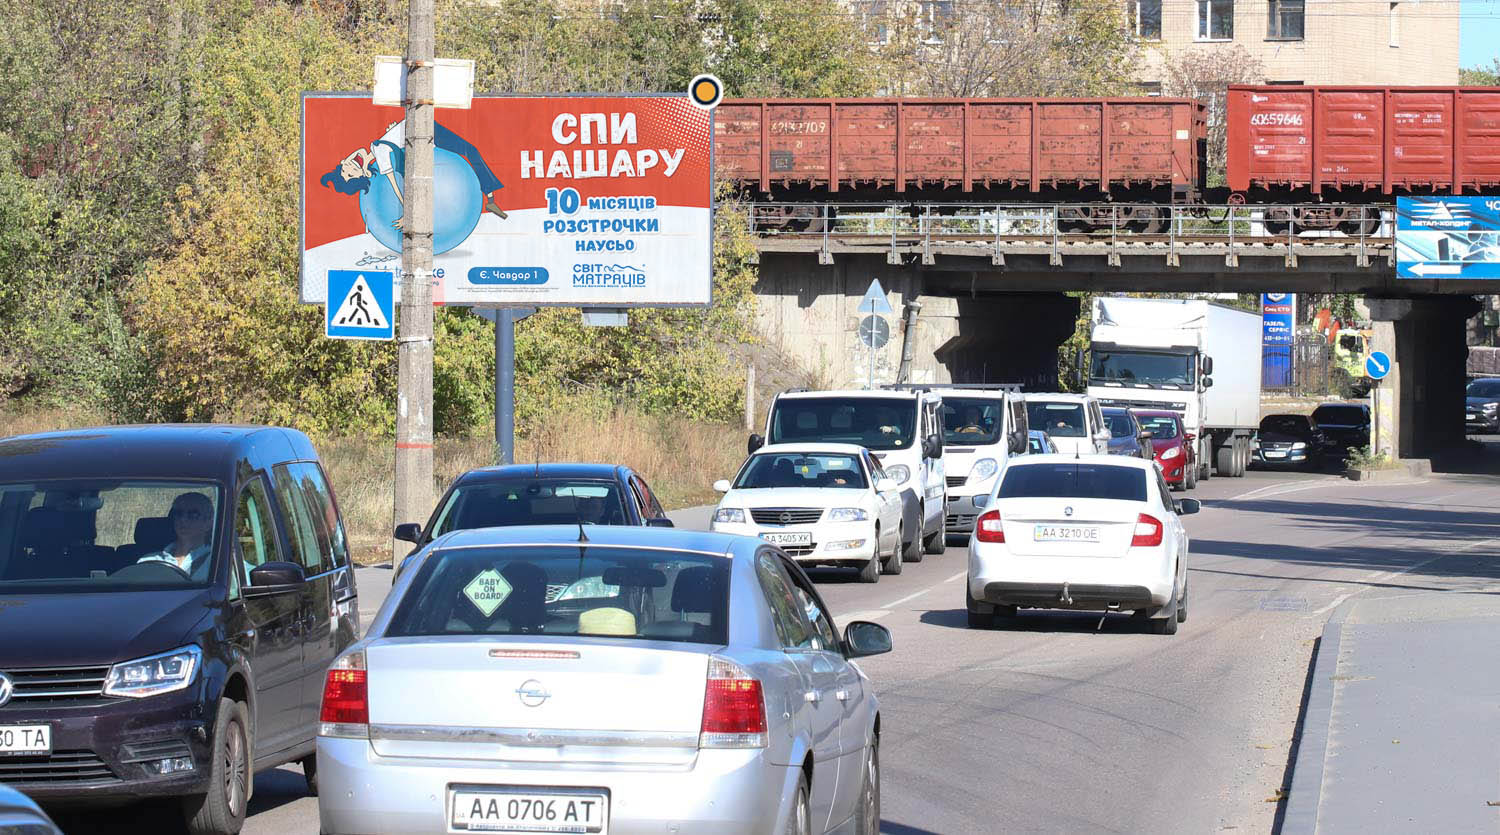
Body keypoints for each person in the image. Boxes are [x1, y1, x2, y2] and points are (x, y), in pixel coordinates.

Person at [320, 120, 509, 224]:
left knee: (470, 150)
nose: (348, 165)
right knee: (470, 150)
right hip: (426, 132)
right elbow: (396, 186)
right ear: (362, 176)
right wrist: (407, 213)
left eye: (344, 166)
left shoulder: (373, 147)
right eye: (350, 173)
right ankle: (490, 200)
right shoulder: (381, 156)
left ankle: (490, 199)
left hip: (423, 126)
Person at [136, 493, 215, 579]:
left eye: (193, 515)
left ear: (208, 523)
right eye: (179, 514)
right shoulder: (148, 561)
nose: (183, 520)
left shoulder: (217, 563)